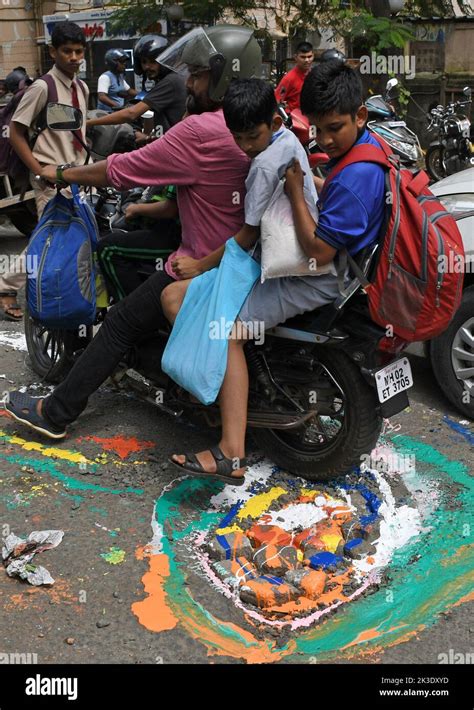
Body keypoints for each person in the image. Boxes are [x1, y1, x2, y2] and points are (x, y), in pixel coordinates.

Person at [3, 24, 262, 439]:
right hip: (245, 254)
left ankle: (54, 413)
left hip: (204, 260)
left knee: (121, 321)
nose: (188, 83)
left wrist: (64, 172)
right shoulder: (262, 125)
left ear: (220, 76)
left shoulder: (201, 130)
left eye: (195, 75)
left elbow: (122, 169)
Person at [164, 59, 387, 483]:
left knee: (226, 330)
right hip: (335, 269)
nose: (324, 139)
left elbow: (307, 250)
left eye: (333, 128)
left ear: (360, 115)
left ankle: (231, 450)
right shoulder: (366, 150)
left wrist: (198, 262)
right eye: (319, 129)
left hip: (312, 273)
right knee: (193, 303)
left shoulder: (274, 166)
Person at [160, 77, 321, 320]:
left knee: (173, 298)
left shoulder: (264, 166)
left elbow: (248, 234)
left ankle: (217, 355)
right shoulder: (287, 138)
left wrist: (199, 265)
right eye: (237, 137)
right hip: (302, 244)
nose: (245, 147)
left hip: (275, 259)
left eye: (252, 136)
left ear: (275, 122)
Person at [0, 21, 89, 322]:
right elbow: (15, 132)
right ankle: (7, 286)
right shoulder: (42, 87)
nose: (74, 57)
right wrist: (40, 170)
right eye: (67, 51)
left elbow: (79, 133)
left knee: (58, 237)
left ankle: (59, 291)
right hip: (51, 179)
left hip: (77, 177)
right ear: (53, 51)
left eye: (79, 51)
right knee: (49, 238)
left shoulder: (82, 87)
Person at [87, 35, 186, 136]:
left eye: (153, 61)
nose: (147, 66)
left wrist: (90, 123)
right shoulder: (107, 77)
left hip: (174, 144)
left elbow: (131, 113)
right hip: (107, 112)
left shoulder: (170, 81)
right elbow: (102, 96)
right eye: (143, 62)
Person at [97, 185, 181, 301]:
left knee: (108, 249)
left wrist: (137, 209)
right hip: (169, 229)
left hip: (177, 237)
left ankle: (128, 311)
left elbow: (171, 208)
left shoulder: (182, 171)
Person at [275, 41, 314, 112]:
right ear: (296, 57)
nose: (307, 60)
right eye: (303, 57)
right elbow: (277, 100)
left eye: (309, 56)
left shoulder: (314, 75)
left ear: (313, 56)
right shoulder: (289, 78)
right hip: (294, 119)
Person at [96, 48, 137, 113]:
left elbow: (129, 91)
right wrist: (118, 107)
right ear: (112, 62)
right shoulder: (105, 77)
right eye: (122, 62)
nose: (124, 64)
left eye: (124, 62)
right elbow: (102, 97)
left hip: (117, 112)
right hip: (106, 113)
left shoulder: (119, 76)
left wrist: (145, 96)